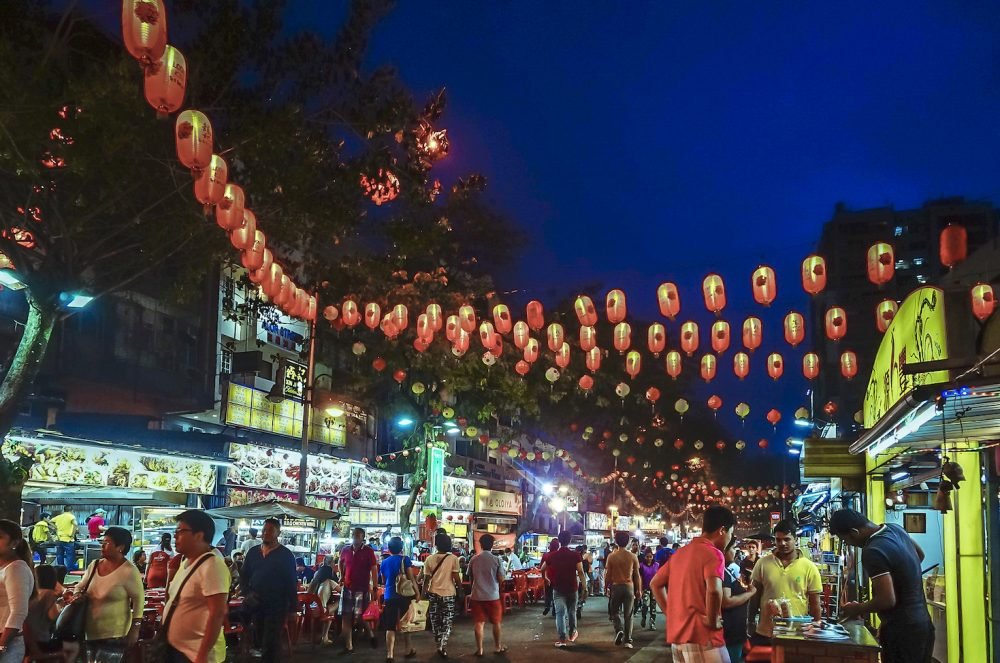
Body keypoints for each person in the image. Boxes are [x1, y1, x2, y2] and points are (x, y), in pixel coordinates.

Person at [829, 508, 933, 663]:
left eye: (845, 540)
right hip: (923, 624)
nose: (849, 544)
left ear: (855, 531)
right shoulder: (895, 529)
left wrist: (857, 608)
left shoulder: (872, 551)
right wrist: (903, 581)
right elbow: (919, 555)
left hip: (901, 632)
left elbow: (886, 600)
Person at [650, 505, 734, 663]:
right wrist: (712, 619)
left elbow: (655, 583)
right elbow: (715, 591)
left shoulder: (680, 553)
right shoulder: (714, 553)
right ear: (722, 530)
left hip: (678, 640)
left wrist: (672, 614)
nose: (730, 538)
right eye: (731, 533)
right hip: (703, 638)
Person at [164, 509, 229, 663]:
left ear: (199, 535)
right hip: (179, 650)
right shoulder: (186, 562)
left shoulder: (213, 565)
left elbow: (218, 613)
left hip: (197, 655)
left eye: (180, 531)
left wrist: (202, 655)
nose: (175, 535)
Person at [73, 526, 144, 659]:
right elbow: (80, 586)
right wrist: (77, 595)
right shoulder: (94, 565)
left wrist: (135, 628)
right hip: (89, 631)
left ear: (120, 547)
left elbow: (139, 600)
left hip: (115, 634)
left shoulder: (129, 571)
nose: (102, 546)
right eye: (102, 542)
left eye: (107, 543)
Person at [748, 519, 821, 645]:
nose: (782, 543)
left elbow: (815, 603)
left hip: (796, 633)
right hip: (766, 631)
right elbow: (755, 595)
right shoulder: (763, 563)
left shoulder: (809, 567)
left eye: (787, 539)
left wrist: (816, 626)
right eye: (778, 540)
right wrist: (750, 621)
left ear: (795, 539)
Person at [240, 518, 297, 663]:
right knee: (259, 640)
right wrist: (246, 593)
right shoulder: (253, 553)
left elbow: (291, 583)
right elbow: (244, 576)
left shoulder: (286, 555)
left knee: (270, 643)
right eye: (264, 530)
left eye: (270, 530)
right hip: (256, 604)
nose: (266, 533)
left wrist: (293, 609)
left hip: (276, 606)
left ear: (278, 533)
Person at [338, 527, 379, 652]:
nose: (355, 537)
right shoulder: (345, 550)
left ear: (362, 538)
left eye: (358, 535)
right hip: (348, 587)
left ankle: (370, 634)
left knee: (361, 616)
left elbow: (374, 569)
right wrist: (341, 576)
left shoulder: (368, 551)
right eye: (354, 534)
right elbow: (340, 562)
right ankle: (349, 645)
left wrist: (375, 587)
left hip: (362, 588)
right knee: (346, 616)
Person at [379, 536, 419, 663]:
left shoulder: (384, 562)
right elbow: (411, 578)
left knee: (390, 626)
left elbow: (384, 581)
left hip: (390, 595)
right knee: (406, 623)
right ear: (401, 548)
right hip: (404, 596)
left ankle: (390, 654)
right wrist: (417, 592)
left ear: (389, 549)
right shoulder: (405, 559)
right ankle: (408, 650)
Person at [421, 533, 462, 658]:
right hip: (449, 593)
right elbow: (455, 577)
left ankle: (438, 642)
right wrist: (460, 589)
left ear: (436, 544)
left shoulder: (429, 559)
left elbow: (426, 579)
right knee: (447, 621)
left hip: (433, 593)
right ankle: (442, 645)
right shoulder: (453, 559)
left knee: (435, 620)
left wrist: (422, 594)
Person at [0, 519, 35, 663]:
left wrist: (2, 646)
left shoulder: (16, 568)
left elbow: (18, 612)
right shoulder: (5, 568)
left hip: (8, 641)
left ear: (14, 543)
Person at [546, 531, 588, 648]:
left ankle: (562, 639)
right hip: (572, 587)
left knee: (560, 614)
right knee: (572, 611)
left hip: (558, 588)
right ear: (569, 541)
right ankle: (572, 633)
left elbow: (543, 568)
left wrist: (546, 578)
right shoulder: (575, 555)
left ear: (559, 541)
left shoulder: (553, 555)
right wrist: (584, 587)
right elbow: (580, 572)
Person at [468, 534, 506, 656]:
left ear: (480, 544)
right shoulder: (497, 560)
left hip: (477, 595)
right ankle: (497, 647)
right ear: (492, 545)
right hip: (492, 596)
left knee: (479, 623)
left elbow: (470, 579)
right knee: (496, 622)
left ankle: (479, 650)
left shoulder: (474, 559)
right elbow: (501, 579)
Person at [722, 540, 757, 663]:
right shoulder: (723, 572)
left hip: (736, 631)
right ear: (724, 551)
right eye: (732, 548)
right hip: (731, 632)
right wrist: (750, 593)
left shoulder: (726, 571)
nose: (734, 552)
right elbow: (727, 601)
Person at [604, 530, 641, 648]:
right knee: (628, 614)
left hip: (616, 586)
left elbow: (608, 574)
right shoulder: (633, 556)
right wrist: (638, 589)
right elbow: (637, 575)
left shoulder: (612, 556)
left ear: (616, 541)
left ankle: (619, 629)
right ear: (629, 542)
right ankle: (628, 641)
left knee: (614, 611)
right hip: (629, 586)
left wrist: (606, 587)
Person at [25, 564, 62, 658]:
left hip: (25, 639)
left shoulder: (30, 592)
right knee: (70, 646)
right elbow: (52, 615)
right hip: (40, 639)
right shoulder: (48, 594)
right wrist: (61, 606)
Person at [308, 557, 341, 645]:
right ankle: (325, 637)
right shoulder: (329, 580)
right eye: (334, 563)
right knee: (340, 602)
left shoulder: (315, 577)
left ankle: (324, 637)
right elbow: (341, 591)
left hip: (309, 609)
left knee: (330, 611)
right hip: (320, 610)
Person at [638, 548, 660, 630]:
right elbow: (640, 578)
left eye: (650, 556)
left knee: (653, 606)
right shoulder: (641, 566)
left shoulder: (657, 565)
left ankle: (652, 623)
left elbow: (659, 577)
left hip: (654, 589)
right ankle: (643, 617)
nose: (649, 558)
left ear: (652, 556)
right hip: (645, 588)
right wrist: (640, 589)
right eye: (647, 557)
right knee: (645, 605)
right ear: (644, 557)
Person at [52, 507, 78, 572]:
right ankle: (69, 569)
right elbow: (75, 524)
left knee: (59, 554)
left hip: (58, 538)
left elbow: (50, 521)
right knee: (69, 554)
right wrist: (72, 534)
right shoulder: (71, 516)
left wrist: (56, 528)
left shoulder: (59, 517)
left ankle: (61, 570)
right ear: (71, 510)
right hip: (68, 539)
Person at [539, 538, 560, 616]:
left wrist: (545, 577)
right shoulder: (559, 555)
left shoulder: (546, 555)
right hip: (556, 578)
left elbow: (541, 567)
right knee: (556, 594)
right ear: (558, 546)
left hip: (547, 576)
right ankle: (554, 611)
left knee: (548, 593)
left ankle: (547, 606)